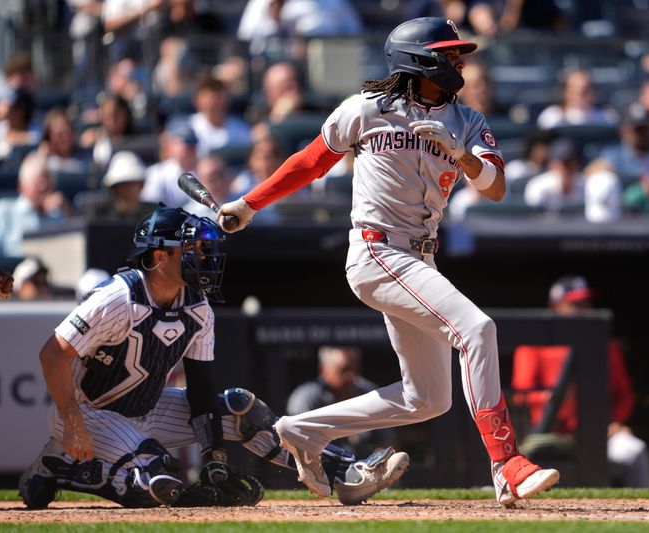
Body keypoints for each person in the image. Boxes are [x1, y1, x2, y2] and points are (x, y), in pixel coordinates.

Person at [217, 17, 560, 507]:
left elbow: (496, 187)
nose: (458, 61)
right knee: (477, 330)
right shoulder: (366, 108)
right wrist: (248, 205)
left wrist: (462, 156)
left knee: (428, 399)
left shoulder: (467, 122)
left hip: (419, 257)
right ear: (418, 59)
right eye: (448, 53)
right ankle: (506, 463)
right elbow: (311, 160)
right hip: (378, 249)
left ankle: (301, 430)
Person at [18, 206, 410, 510]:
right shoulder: (119, 297)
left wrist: (215, 454)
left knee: (242, 411)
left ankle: (346, 471)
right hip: (89, 410)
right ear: (158, 256)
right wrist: (71, 418)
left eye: (202, 248)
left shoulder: (198, 306)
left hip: (145, 409)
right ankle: (63, 468)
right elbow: (53, 352)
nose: (202, 256)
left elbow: (201, 389)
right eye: (190, 249)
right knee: (160, 481)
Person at [512, 276, 649, 488]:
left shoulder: (606, 345)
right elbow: (521, 394)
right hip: (546, 436)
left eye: (586, 303)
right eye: (575, 304)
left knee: (634, 451)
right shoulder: (534, 344)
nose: (584, 309)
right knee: (509, 461)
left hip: (596, 436)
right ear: (556, 306)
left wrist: (615, 422)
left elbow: (623, 394)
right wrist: (551, 399)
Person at [287, 346, 398, 457]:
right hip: (320, 467)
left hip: (364, 468)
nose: (351, 376)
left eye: (355, 369)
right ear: (323, 370)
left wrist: (380, 458)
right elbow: (297, 444)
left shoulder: (369, 393)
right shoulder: (307, 397)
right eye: (344, 370)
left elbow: (388, 441)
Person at [0, 154, 69, 257]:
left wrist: (68, 213)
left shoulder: (58, 215)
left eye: (48, 180)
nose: (44, 186)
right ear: (21, 186)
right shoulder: (4, 212)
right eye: (38, 181)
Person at [80, 151, 159, 219]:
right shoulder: (101, 214)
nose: (128, 189)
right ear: (114, 188)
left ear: (141, 185)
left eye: (132, 183)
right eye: (123, 184)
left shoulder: (155, 215)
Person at [536, 68, 617, 130]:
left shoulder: (606, 117)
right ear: (565, 92)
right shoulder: (552, 116)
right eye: (575, 89)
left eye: (586, 89)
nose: (580, 94)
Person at [523, 137, 584, 215]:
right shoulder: (538, 187)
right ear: (552, 164)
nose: (567, 168)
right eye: (564, 163)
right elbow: (532, 220)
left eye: (572, 162)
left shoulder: (584, 185)